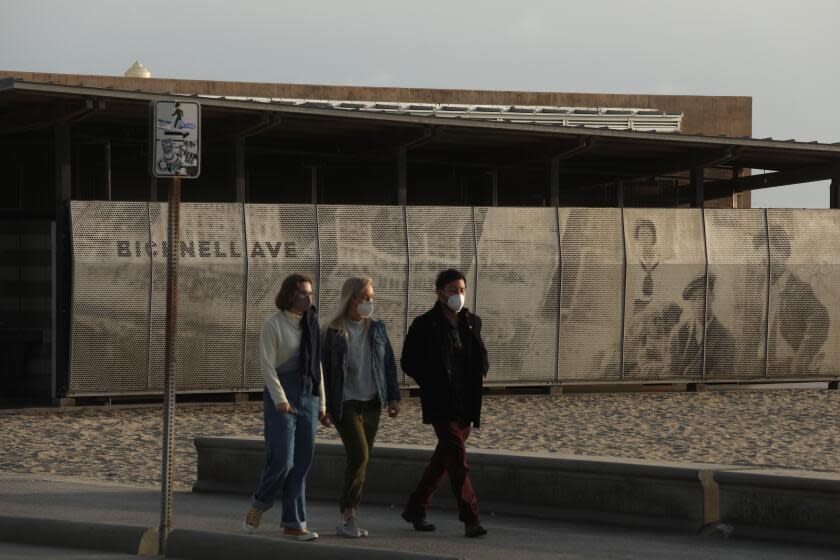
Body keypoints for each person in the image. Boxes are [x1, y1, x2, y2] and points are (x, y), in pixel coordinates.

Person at [400, 268, 490, 538]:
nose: (458, 295)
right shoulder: (425, 324)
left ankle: (416, 509)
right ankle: (471, 517)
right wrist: (431, 382)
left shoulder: (472, 322)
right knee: (458, 460)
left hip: (467, 402)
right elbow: (409, 361)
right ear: (440, 292)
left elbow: (480, 354)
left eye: (462, 290)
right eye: (453, 290)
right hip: (441, 403)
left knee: (443, 460)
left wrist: (482, 368)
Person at [242, 273, 331, 541]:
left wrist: (322, 403)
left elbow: (317, 366)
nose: (309, 298)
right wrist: (280, 399)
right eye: (304, 293)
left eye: (311, 293)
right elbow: (268, 366)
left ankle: (294, 523)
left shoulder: (311, 325)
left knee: (301, 465)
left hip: (308, 397)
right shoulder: (274, 324)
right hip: (282, 398)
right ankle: (259, 503)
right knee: (283, 459)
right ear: (290, 295)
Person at [321, 277, 401, 538]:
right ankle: (348, 516)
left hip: (372, 402)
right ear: (351, 298)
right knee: (359, 455)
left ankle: (350, 514)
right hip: (346, 403)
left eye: (372, 298)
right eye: (365, 297)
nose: (369, 302)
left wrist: (393, 397)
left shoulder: (377, 328)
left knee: (361, 461)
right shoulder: (333, 331)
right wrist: (323, 406)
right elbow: (324, 371)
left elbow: (388, 363)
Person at [668, 273, 734, 377]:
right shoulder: (677, 333)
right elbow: (669, 371)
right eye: (694, 299)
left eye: (703, 297)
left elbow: (721, 376)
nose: (699, 304)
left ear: (712, 297)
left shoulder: (726, 337)